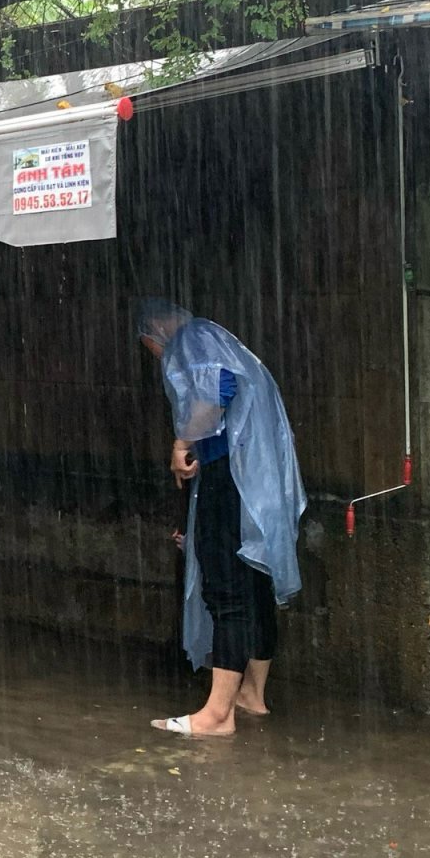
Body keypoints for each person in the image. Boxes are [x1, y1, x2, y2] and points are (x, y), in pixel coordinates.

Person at [135, 300, 305, 737]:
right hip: (254, 483)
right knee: (254, 585)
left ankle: (217, 715)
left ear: (154, 328)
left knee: (225, 588)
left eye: (149, 347)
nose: (156, 357)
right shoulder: (221, 338)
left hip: (230, 477)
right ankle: (252, 696)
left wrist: (180, 443)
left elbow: (215, 391)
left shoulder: (192, 338)